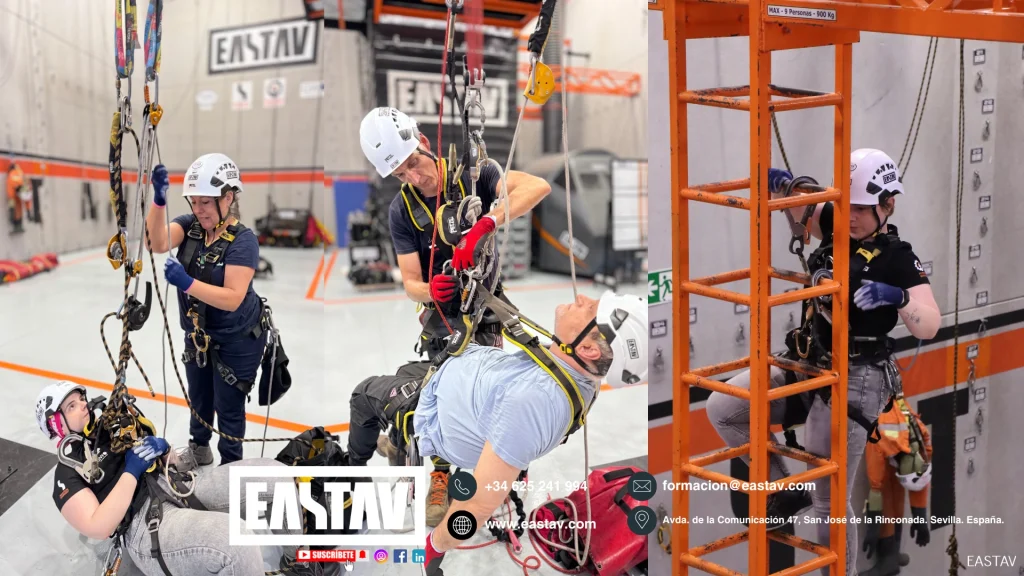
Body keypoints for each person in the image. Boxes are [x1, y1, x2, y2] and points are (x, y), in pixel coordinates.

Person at [705, 148, 940, 576]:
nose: (850, 218)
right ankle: (780, 488)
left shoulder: (898, 258)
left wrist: (899, 297)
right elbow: (806, 209)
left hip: (856, 380)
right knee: (725, 407)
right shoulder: (839, 223)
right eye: (845, 206)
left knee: (827, 499)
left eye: (863, 211)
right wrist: (786, 186)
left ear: (888, 204)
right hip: (809, 364)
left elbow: (930, 324)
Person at [345, 290, 648, 575]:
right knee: (402, 370)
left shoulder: (533, 402)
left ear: (588, 348)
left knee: (363, 397)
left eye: (591, 308)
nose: (582, 298)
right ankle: (396, 443)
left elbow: (477, 506)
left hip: (431, 411)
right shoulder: (579, 369)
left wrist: (434, 547)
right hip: (450, 378)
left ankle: (354, 474)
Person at [359, 106, 552, 524]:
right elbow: (409, 278)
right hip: (440, 316)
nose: (414, 177)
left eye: (414, 163)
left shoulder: (475, 175)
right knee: (442, 396)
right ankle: (441, 477)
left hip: (485, 306)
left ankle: (495, 470)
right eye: (401, 174)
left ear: (424, 143)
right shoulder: (402, 211)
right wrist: (431, 291)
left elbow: (537, 186)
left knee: (490, 392)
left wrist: (485, 222)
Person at [35, 380, 313, 576]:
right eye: (71, 406)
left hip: (176, 483)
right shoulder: (66, 473)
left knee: (274, 475)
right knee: (236, 543)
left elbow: (175, 464)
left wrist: (164, 450)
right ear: (55, 423)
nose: (83, 405)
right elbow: (98, 526)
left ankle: (298, 564)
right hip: (144, 524)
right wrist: (131, 472)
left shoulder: (111, 428)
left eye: (81, 399)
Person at [145, 154, 269, 466]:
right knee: (199, 399)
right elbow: (155, 242)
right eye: (194, 202)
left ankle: (230, 466)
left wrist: (186, 282)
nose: (198, 210)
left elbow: (232, 297)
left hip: (237, 339)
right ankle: (200, 449)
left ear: (228, 198)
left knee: (228, 407)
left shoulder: (244, 241)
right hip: (199, 335)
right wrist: (159, 201)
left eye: (205, 203)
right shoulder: (191, 227)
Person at [861, 398, 932, 576]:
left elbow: (920, 478)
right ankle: (888, 555)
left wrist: (920, 517)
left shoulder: (921, 439)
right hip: (881, 419)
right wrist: (873, 528)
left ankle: (892, 552)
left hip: (894, 413)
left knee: (897, 491)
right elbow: (875, 488)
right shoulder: (878, 439)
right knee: (885, 492)